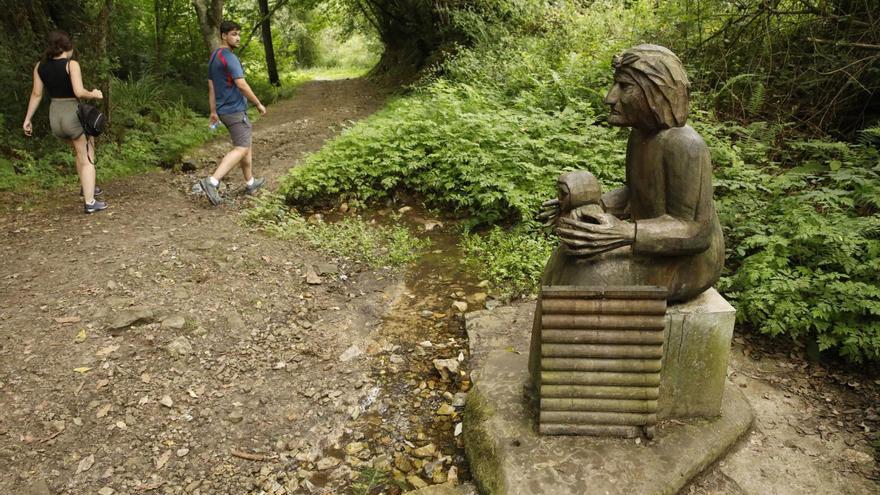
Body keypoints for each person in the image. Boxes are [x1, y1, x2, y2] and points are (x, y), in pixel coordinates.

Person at [23, 30, 106, 214]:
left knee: (83, 149)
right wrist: (94, 94)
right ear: (67, 47)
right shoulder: (71, 64)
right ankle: (90, 202)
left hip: (56, 117)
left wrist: (27, 119)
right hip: (71, 114)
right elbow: (78, 91)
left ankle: (87, 187)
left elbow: (37, 94)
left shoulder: (40, 66)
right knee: (86, 159)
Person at [199, 20, 267, 206]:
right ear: (223, 35)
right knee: (241, 148)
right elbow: (242, 84)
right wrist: (258, 104)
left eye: (238, 34)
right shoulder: (229, 57)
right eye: (233, 34)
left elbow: (211, 86)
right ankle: (212, 181)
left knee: (246, 145)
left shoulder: (214, 56)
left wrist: (213, 111)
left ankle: (250, 183)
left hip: (223, 110)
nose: (237, 37)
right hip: (235, 110)